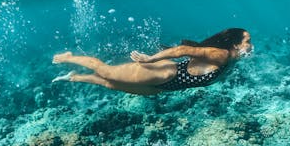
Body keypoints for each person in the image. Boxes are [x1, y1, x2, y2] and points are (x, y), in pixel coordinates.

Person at [51, 28, 253, 95]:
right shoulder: (222, 55)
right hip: (163, 73)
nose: (250, 45)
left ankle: (75, 77)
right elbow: (183, 50)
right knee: (107, 72)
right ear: (234, 44)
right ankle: (69, 57)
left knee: (110, 84)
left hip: (165, 87)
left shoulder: (233, 59)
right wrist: (150, 58)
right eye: (247, 41)